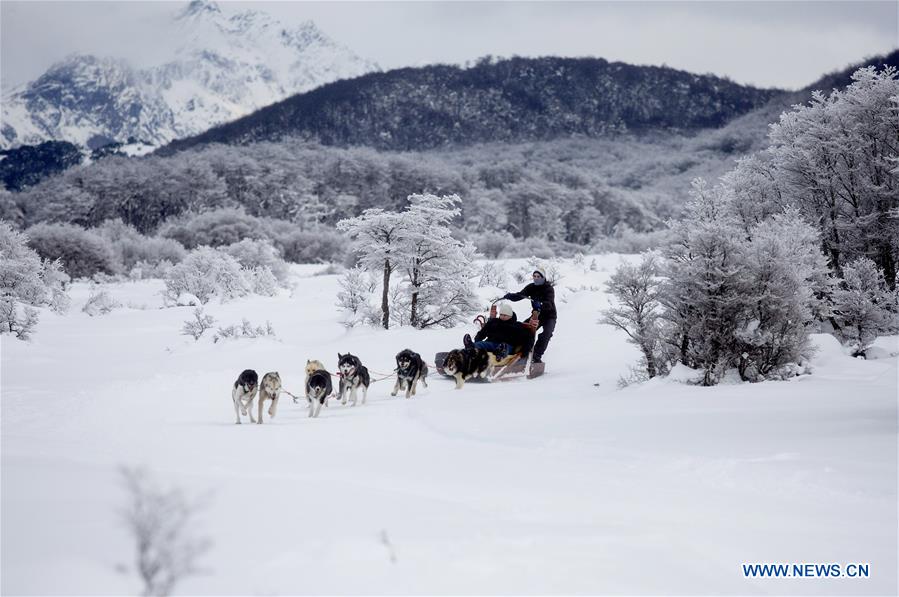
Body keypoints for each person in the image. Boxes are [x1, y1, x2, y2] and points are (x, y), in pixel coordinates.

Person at [502, 266, 556, 363]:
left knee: (546, 334)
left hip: (549, 316)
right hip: (536, 315)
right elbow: (520, 295)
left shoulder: (549, 288)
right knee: (522, 329)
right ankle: (515, 351)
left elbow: (549, 303)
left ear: (543, 277)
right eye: (534, 276)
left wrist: (541, 304)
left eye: (538, 276)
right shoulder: (531, 287)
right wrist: (510, 296)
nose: (535, 278)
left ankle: (536, 356)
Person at [463, 302, 534, 359]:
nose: (502, 317)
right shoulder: (494, 322)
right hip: (492, 343)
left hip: (508, 346)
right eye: (501, 314)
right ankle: (471, 347)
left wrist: (524, 352)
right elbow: (483, 332)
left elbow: (528, 338)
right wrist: (477, 339)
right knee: (482, 344)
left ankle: (500, 352)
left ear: (510, 316)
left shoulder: (517, 326)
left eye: (505, 315)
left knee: (504, 347)